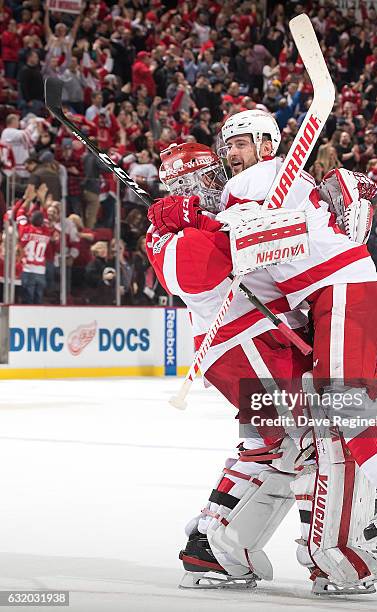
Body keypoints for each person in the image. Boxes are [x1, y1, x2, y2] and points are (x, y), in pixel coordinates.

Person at [218, 109, 377, 560]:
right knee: (345, 403)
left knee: (339, 397)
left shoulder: (253, 180)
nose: (231, 155)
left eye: (240, 144)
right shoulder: (287, 180)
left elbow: (226, 241)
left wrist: (185, 220)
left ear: (265, 146)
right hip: (356, 292)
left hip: (339, 290)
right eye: (228, 147)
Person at [146, 143, 317, 591]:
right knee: (299, 444)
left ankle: (209, 543)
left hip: (263, 339)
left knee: (272, 446)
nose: (218, 179)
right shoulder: (164, 229)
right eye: (208, 175)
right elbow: (198, 271)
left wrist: (204, 220)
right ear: (191, 180)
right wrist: (192, 223)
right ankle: (317, 548)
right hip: (242, 342)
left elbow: (269, 240)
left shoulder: (220, 209)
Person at [18, 210, 52, 304]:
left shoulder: (26, 230)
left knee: (27, 299)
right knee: (38, 300)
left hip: (27, 269)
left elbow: (19, 216)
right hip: (40, 270)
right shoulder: (46, 233)